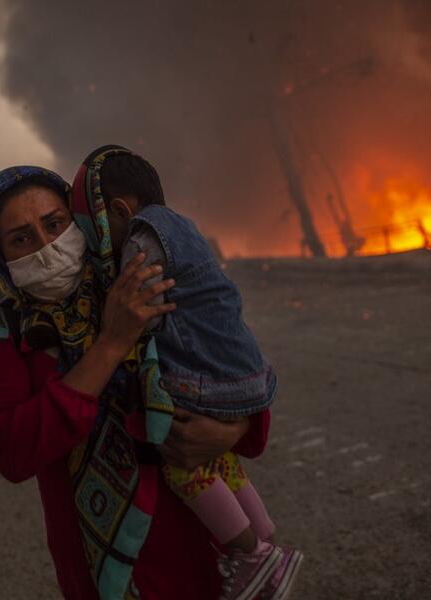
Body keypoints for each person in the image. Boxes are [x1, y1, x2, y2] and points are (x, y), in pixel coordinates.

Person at [0, 166, 270, 599]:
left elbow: (224, 358)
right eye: (21, 239)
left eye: (54, 224)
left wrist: (233, 429)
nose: (47, 246)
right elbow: (13, 452)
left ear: (78, 222)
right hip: (108, 568)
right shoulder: (0, 334)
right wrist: (112, 342)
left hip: (209, 548)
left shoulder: (130, 280)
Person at [77, 145, 303, 600]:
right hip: (241, 373)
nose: (98, 245)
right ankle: (263, 536)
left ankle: (251, 556)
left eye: (97, 231)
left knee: (183, 464)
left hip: (201, 379)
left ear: (120, 210)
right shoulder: (182, 226)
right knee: (219, 459)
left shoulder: (139, 243)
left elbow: (145, 314)